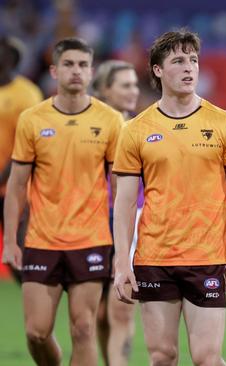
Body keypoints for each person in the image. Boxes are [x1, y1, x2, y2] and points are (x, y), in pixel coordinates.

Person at [112, 29, 226, 366]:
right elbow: (124, 202)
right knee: (162, 357)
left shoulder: (225, 123)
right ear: (158, 70)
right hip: (154, 258)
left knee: (207, 358)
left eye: (193, 60)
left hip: (206, 256)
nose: (189, 67)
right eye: (178, 60)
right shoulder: (136, 130)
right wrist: (122, 261)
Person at [2, 37, 123, 366]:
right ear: (54, 71)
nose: (76, 71)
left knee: (83, 328)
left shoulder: (111, 120)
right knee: (36, 333)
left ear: (91, 71)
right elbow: (16, 186)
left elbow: (121, 189)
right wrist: (11, 241)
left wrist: (125, 246)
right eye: (68, 64)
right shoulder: (33, 119)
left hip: (92, 239)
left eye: (83, 65)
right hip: (42, 239)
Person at [92, 60, 140, 366]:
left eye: (135, 84)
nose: (134, 91)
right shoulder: (92, 130)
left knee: (121, 305)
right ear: (104, 90)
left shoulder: (141, 129)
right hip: (95, 221)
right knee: (97, 313)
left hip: (131, 220)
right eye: (125, 85)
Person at [0, 36, 43, 282]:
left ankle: (35, 296)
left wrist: (3, 176)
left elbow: (28, 142)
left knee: (18, 253)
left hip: (13, 187)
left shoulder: (26, 93)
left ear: (11, 58)